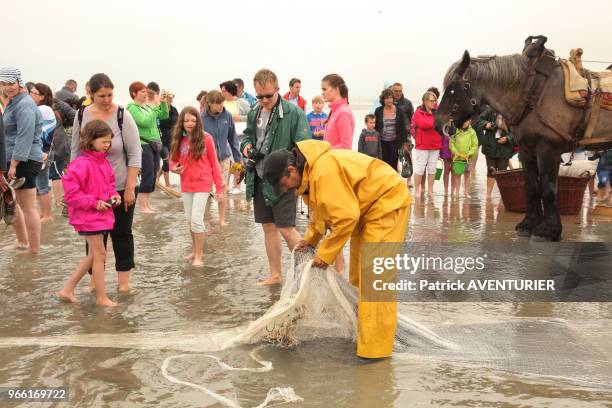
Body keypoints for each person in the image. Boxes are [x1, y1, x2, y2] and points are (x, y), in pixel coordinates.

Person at [262, 139, 411, 359]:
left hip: (387, 205)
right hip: (368, 211)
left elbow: (345, 217)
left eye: (283, 183)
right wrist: (311, 240)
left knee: (374, 281)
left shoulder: (323, 171)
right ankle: (366, 334)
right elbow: (322, 212)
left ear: (292, 170)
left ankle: (375, 352)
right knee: (358, 277)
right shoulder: (311, 174)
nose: (284, 189)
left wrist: (325, 254)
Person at [71, 72, 141, 293]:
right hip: (91, 192)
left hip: (120, 185)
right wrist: (73, 189)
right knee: (94, 238)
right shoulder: (82, 114)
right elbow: (75, 151)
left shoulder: (122, 115)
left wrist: (130, 188)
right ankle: (96, 282)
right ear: (90, 94)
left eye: (110, 94)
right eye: (102, 95)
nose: (107, 99)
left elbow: (135, 153)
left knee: (122, 234)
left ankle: (123, 284)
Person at [240, 68, 311, 285]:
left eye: (268, 96)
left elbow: (304, 146)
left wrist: (289, 170)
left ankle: (310, 274)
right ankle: (276, 275)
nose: (263, 100)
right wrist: (246, 146)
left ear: (278, 90)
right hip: (259, 176)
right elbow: (247, 135)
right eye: (259, 96)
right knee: (268, 227)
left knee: (286, 228)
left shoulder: (294, 112)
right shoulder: (254, 111)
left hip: (283, 180)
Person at [59, 120, 121, 307]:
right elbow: (71, 194)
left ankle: (67, 289)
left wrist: (114, 196)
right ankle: (101, 298)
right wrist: (94, 203)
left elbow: (110, 185)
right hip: (87, 216)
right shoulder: (80, 164)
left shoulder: (104, 162)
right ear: (91, 140)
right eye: (104, 141)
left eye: (109, 141)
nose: (108, 145)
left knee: (94, 255)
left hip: (101, 215)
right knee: (100, 254)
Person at [170, 107, 224, 266]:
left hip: (203, 183)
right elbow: (172, 159)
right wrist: (174, 168)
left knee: (196, 220)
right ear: (181, 122)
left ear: (198, 122)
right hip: (186, 184)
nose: (189, 123)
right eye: (186, 120)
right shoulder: (179, 138)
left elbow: (215, 164)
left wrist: (219, 188)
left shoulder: (206, 138)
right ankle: (194, 251)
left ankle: (199, 256)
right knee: (189, 220)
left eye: (193, 120)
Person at [0, 66, 44, 254]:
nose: (8, 87)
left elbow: (24, 136)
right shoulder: (13, 101)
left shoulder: (24, 104)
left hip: (24, 160)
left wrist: (13, 164)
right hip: (14, 158)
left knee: (28, 206)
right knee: (13, 203)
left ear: (19, 82)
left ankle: (34, 249)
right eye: (4, 84)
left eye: (11, 83)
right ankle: (22, 241)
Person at [126, 81, 169, 213]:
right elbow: (145, 122)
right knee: (147, 173)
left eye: (146, 91)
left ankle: (148, 204)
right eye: (142, 92)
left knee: (154, 171)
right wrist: (155, 107)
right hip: (143, 144)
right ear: (134, 93)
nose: (146, 94)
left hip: (155, 144)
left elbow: (164, 115)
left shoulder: (147, 107)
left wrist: (163, 102)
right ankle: (143, 206)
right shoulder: (132, 108)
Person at [202, 90, 242, 226]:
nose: (220, 106)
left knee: (223, 188)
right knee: (205, 189)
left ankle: (221, 219)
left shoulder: (227, 116)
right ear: (209, 104)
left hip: (224, 157)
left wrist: (238, 158)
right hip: (206, 160)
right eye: (217, 104)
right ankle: (204, 218)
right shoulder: (201, 118)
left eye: (221, 103)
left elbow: (233, 138)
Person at [29, 83, 57, 223]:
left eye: (33, 93)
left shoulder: (43, 109)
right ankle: (44, 213)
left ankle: (48, 215)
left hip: (43, 151)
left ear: (42, 97)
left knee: (42, 183)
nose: (30, 95)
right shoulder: (41, 108)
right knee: (39, 184)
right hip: (42, 150)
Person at [475, 107, 516, 197]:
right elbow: (477, 121)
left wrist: (507, 138)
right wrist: (486, 124)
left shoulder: (512, 110)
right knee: (490, 170)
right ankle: (488, 196)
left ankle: (503, 196)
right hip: (490, 146)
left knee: (502, 172)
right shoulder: (490, 110)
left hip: (505, 148)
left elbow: (517, 130)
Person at [411, 91, 442, 198]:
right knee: (420, 168)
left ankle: (430, 190)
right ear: (424, 101)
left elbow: (442, 123)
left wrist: (436, 120)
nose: (434, 103)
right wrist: (436, 121)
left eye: (435, 101)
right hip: (422, 145)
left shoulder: (438, 112)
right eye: (431, 101)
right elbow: (423, 124)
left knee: (433, 168)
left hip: (435, 144)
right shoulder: (418, 112)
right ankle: (417, 190)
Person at [374, 88, 408, 170]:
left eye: (391, 97)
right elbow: (375, 127)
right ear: (383, 99)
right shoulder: (378, 111)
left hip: (395, 142)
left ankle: (393, 182)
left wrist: (405, 143)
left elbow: (403, 127)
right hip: (382, 142)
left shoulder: (399, 111)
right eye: (387, 98)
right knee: (383, 164)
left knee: (393, 165)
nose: (389, 100)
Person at [322, 73, 354, 149]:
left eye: (324, 89)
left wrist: (323, 150)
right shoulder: (335, 110)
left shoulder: (343, 112)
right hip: (331, 159)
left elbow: (346, 146)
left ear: (336, 89)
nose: (322, 93)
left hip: (337, 160)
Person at [449, 119, 478, 198]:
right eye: (463, 121)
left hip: (469, 158)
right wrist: (455, 152)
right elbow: (451, 143)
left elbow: (475, 145)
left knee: (468, 174)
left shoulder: (472, 132)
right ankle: (457, 192)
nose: (464, 123)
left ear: (470, 121)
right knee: (457, 175)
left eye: (466, 121)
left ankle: (466, 192)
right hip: (458, 157)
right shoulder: (456, 131)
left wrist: (468, 154)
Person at [158, 90, 178, 188]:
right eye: (168, 98)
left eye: (171, 98)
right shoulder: (160, 110)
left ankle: (156, 179)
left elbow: (179, 122)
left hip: (172, 139)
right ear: (164, 99)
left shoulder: (174, 110)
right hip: (162, 139)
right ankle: (167, 184)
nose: (171, 100)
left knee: (169, 161)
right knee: (166, 161)